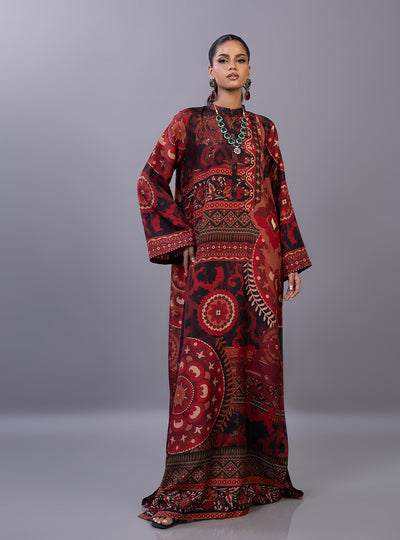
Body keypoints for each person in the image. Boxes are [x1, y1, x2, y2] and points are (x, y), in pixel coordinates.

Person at [137, 34, 311, 529]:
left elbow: (279, 194)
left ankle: (256, 478)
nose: (232, 66)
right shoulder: (187, 122)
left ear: (250, 70)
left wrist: (290, 260)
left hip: (258, 267)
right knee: (202, 372)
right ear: (210, 70)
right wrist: (178, 237)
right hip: (207, 269)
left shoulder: (265, 128)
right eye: (223, 59)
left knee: (257, 369)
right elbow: (150, 180)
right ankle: (187, 488)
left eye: (241, 59)